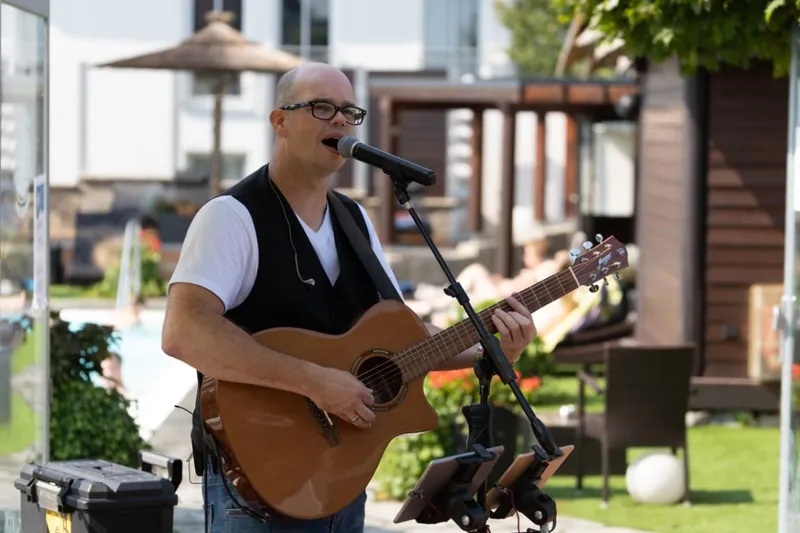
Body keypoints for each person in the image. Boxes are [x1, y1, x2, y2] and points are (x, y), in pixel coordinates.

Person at [161, 62, 538, 533]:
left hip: (343, 481)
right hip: (259, 488)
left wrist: (489, 348)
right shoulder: (232, 217)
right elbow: (184, 332)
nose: (339, 120)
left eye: (348, 111)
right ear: (280, 122)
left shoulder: (356, 222)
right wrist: (315, 382)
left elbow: (399, 342)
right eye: (321, 108)